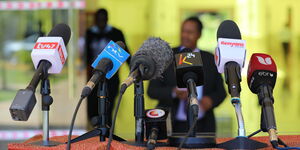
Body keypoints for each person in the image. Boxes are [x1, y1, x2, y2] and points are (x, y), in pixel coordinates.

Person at [147, 17, 226, 133]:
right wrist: (174, 92)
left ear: (199, 35)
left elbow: (221, 92)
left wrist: (211, 100)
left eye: (190, 32)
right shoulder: (166, 56)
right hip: (171, 124)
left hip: (203, 124)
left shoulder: (209, 59)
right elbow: (152, 90)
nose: (185, 35)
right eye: (183, 31)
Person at [85, 8, 130, 127]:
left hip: (112, 78)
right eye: (98, 20)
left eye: (103, 20)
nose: (101, 23)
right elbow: (85, 54)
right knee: (93, 106)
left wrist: (133, 70)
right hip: (93, 76)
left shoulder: (116, 33)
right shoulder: (89, 33)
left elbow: (125, 52)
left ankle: (108, 132)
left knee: (108, 108)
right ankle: (95, 129)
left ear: (107, 19)